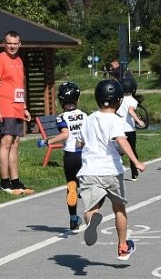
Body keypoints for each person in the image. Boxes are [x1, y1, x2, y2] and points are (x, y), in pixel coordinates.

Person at [77, 80, 146, 261]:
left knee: (91, 208)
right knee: (119, 209)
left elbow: (80, 142)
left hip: (89, 170)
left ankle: (91, 220)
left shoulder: (88, 119)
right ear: (119, 100)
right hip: (111, 171)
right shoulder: (116, 120)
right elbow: (121, 141)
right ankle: (123, 246)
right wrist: (136, 161)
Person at [38, 82, 87, 231]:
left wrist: (47, 141)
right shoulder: (84, 115)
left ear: (61, 101)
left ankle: (73, 219)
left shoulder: (61, 117)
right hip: (84, 154)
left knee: (70, 184)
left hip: (70, 156)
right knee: (86, 182)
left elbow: (65, 134)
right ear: (77, 99)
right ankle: (85, 198)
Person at [0, 30, 33, 195]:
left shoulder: (19, 61)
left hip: (17, 108)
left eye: (15, 43)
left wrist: (25, 108)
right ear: (4, 43)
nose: (12, 46)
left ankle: (15, 182)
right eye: (9, 43)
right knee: (6, 142)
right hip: (5, 107)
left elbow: (19, 87)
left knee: (15, 143)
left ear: (19, 44)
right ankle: (4, 183)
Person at [117, 77, 146, 180]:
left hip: (119, 129)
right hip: (129, 129)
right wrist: (139, 121)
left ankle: (115, 169)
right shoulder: (132, 100)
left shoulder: (119, 100)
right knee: (131, 151)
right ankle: (134, 173)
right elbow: (130, 110)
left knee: (119, 151)